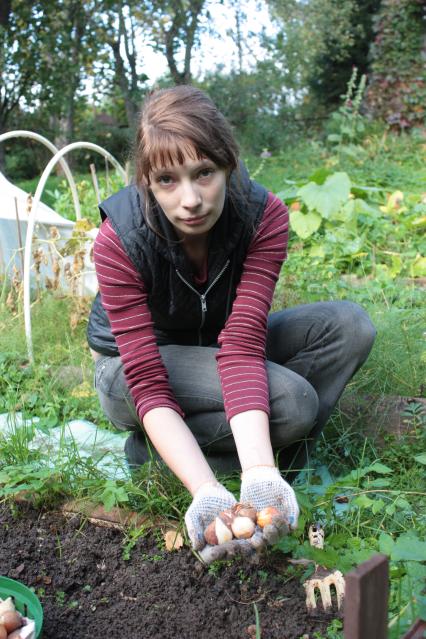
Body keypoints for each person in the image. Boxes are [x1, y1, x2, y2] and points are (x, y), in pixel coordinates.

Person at [87, 85, 375, 562]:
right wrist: (204, 490)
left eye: (204, 173)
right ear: (145, 182)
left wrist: (258, 470)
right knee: (293, 401)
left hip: (218, 345)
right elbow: (147, 379)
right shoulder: (120, 239)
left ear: (228, 163)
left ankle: (265, 473)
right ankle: (170, 460)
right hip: (131, 370)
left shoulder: (263, 216)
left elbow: (241, 344)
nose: (190, 200)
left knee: (349, 325)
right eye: (166, 181)